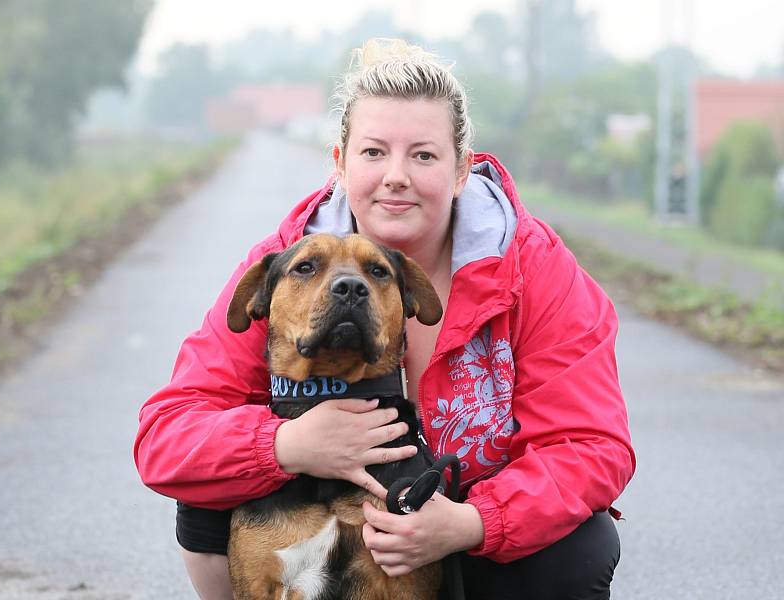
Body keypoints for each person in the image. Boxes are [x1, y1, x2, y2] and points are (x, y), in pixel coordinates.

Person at [134, 38, 635, 600]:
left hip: (475, 538)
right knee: (207, 487)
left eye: (423, 155)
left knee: (579, 549)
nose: (396, 175)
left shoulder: (532, 266)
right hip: (306, 499)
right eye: (374, 152)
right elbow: (167, 435)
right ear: (341, 165)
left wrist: (472, 524)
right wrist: (284, 445)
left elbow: (592, 447)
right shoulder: (288, 264)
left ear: (462, 169)